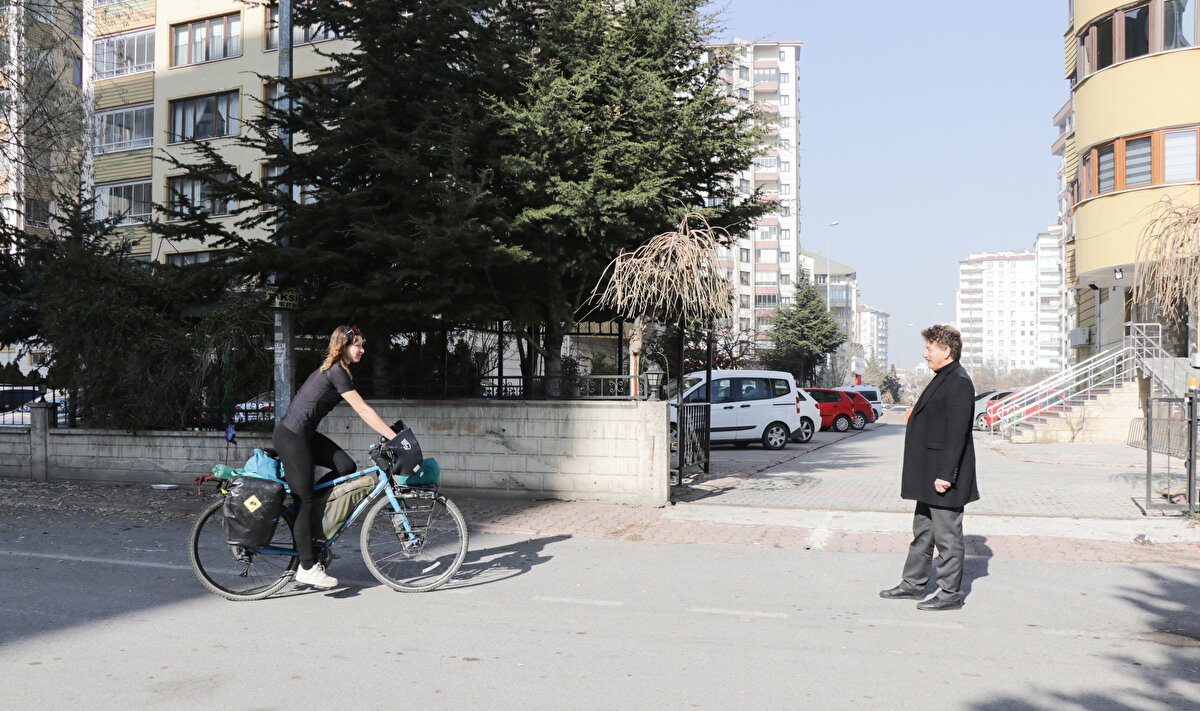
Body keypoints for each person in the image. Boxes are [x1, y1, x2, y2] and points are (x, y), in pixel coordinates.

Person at [273, 325, 397, 589]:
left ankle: (313, 518)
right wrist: (394, 437)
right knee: (303, 498)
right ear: (343, 345)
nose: (363, 350)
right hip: (292, 437)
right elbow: (362, 410)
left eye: (363, 344)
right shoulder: (337, 372)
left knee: (345, 466)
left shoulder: (337, 370)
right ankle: (306, 567)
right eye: (359, 345)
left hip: (302, 435)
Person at [879, 324, 979, 611]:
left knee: (947, 537)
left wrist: (946, 475)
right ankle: (913, 584)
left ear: (946, 351)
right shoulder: (943, 377)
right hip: (929, 475)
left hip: (943, 477)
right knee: (923, 531)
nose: (924, 354)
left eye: (929, 348)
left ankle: (950, 594)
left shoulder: (958, 381)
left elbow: (957, 433)